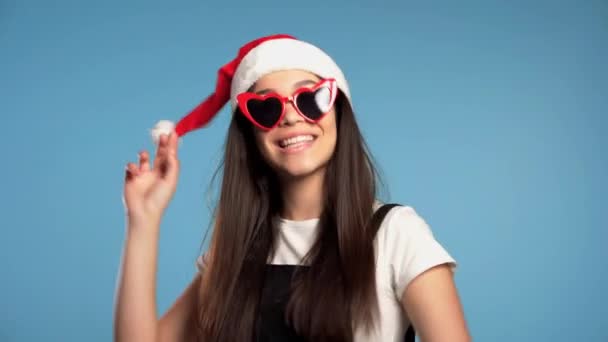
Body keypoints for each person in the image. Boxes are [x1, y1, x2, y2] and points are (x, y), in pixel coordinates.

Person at [113, 34, 471, 342]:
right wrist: (144, 219)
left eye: (310, 99)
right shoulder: (234, 250)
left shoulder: (396, 234)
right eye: (266, 108)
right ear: (250, 135)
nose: (289, 116)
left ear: (339, 113)